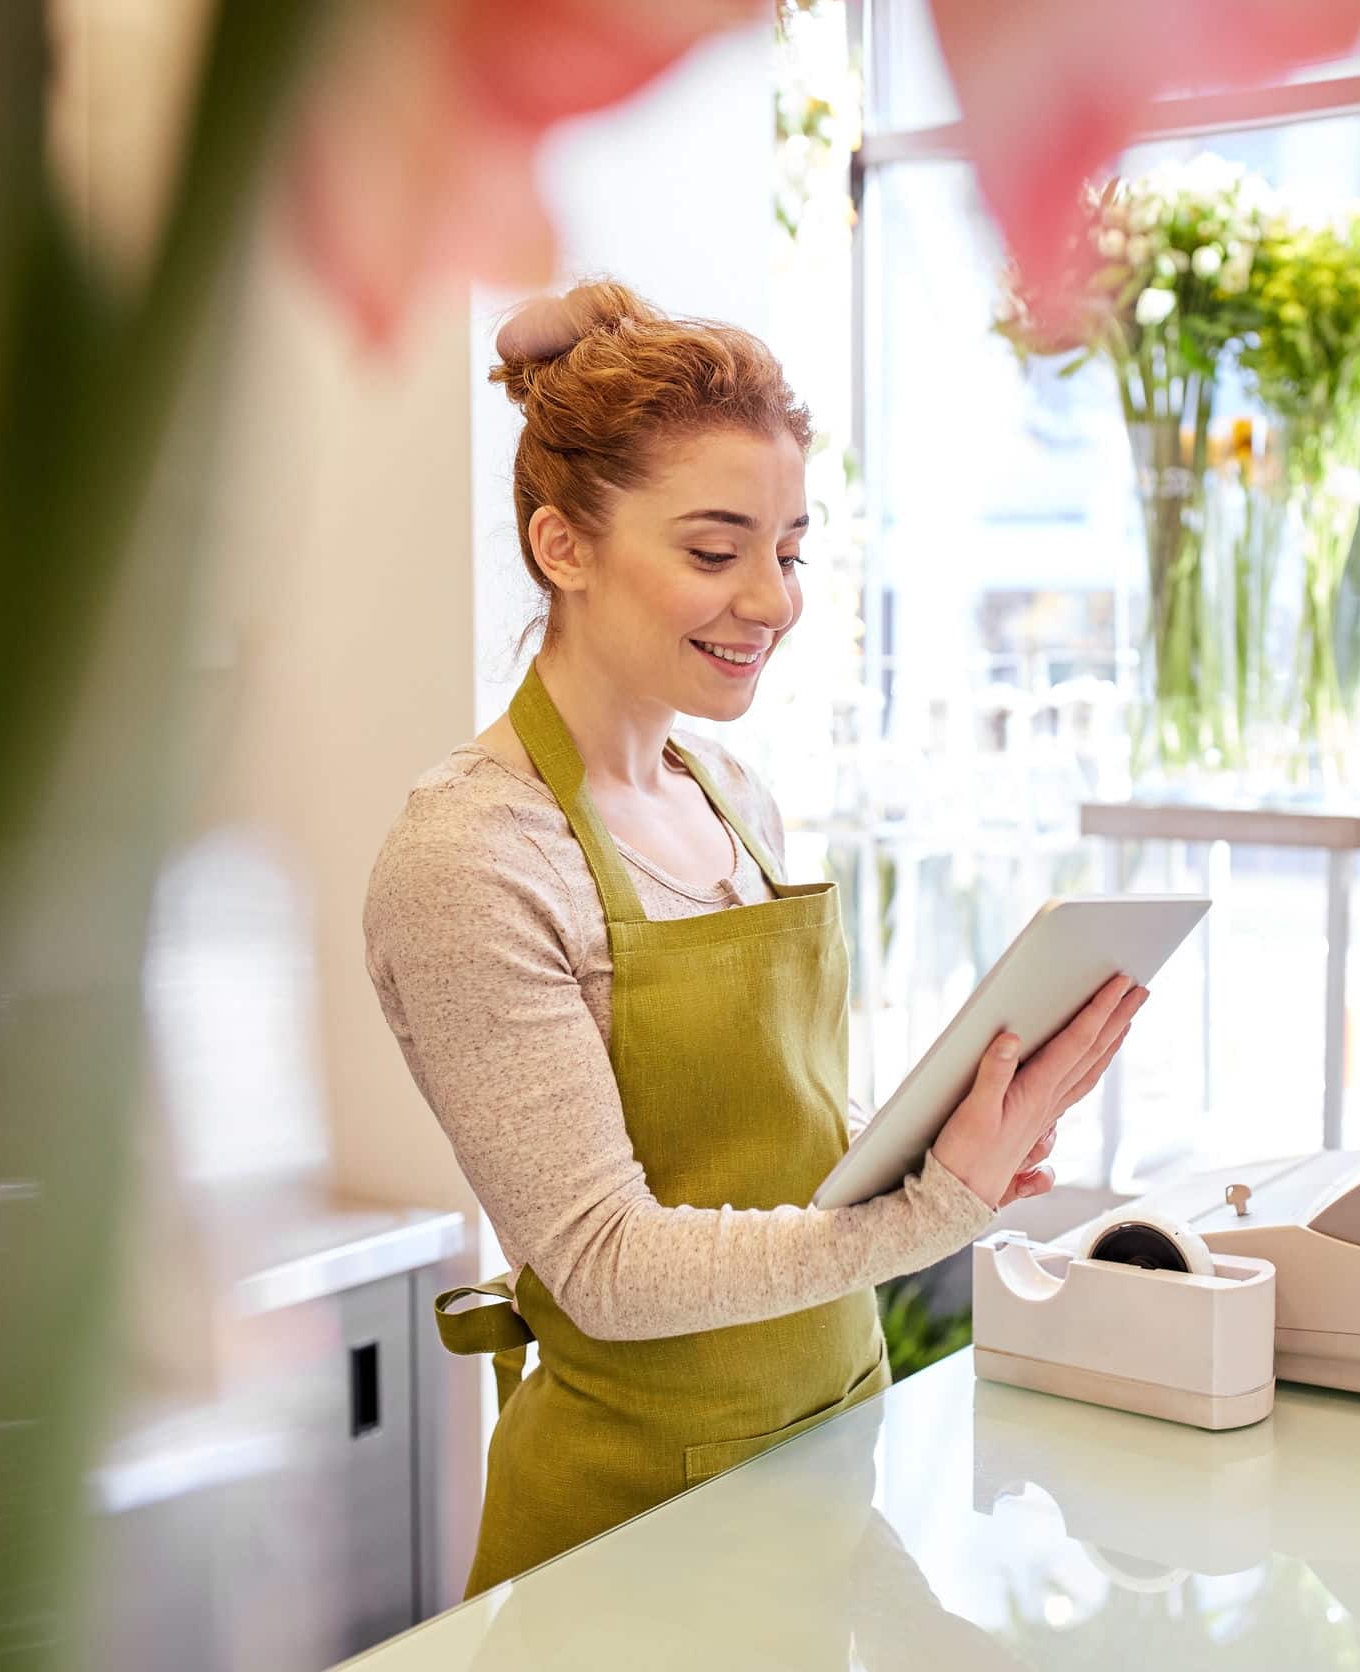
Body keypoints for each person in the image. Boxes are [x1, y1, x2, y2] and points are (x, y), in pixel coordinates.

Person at [363, 279, 1147, 1596]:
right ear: (564, 548)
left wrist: (947, 1140)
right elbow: (610, 1268)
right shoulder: (471, 861)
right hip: (628, 1533)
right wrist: (928, 1214)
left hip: (833, 1444)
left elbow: (781, 1147)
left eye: (788, 551)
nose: (771, 602)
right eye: (714, 552)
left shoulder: (738, 801)